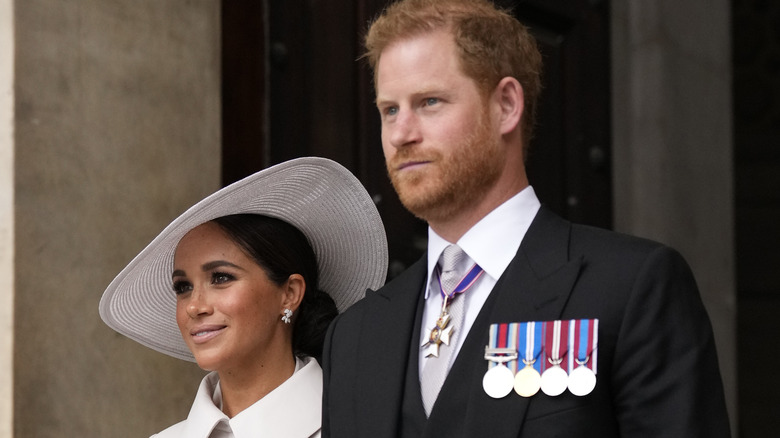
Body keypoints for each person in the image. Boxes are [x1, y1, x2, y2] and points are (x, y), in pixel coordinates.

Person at [321, 1, 731, 437]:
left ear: (506, 105)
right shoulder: (355, 336)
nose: (402, 134)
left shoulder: (631, 289)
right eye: (389, 110)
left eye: (429, 102)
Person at [100, 157, 388, 437]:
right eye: (183, 287)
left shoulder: (365, 427)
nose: (194, 306)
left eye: (221, 278)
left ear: (289, 293)